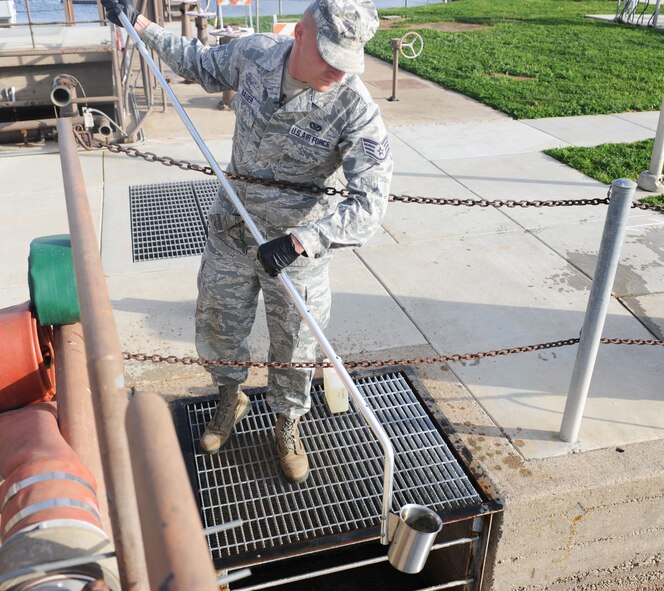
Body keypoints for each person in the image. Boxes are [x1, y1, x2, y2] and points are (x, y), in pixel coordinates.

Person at [102, 0, 393, 484]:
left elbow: (370, 205)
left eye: (349, 62)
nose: (339, 73)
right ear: (300, 34)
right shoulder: (255, 54)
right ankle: (228, 399)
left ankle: (287, 424)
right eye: (330, 58)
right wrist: (138, 22)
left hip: (294, 251)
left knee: (296, 348)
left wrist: (305, 240)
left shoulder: (355, 110)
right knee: (218, 326)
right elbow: (196, 60)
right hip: (232, 232)